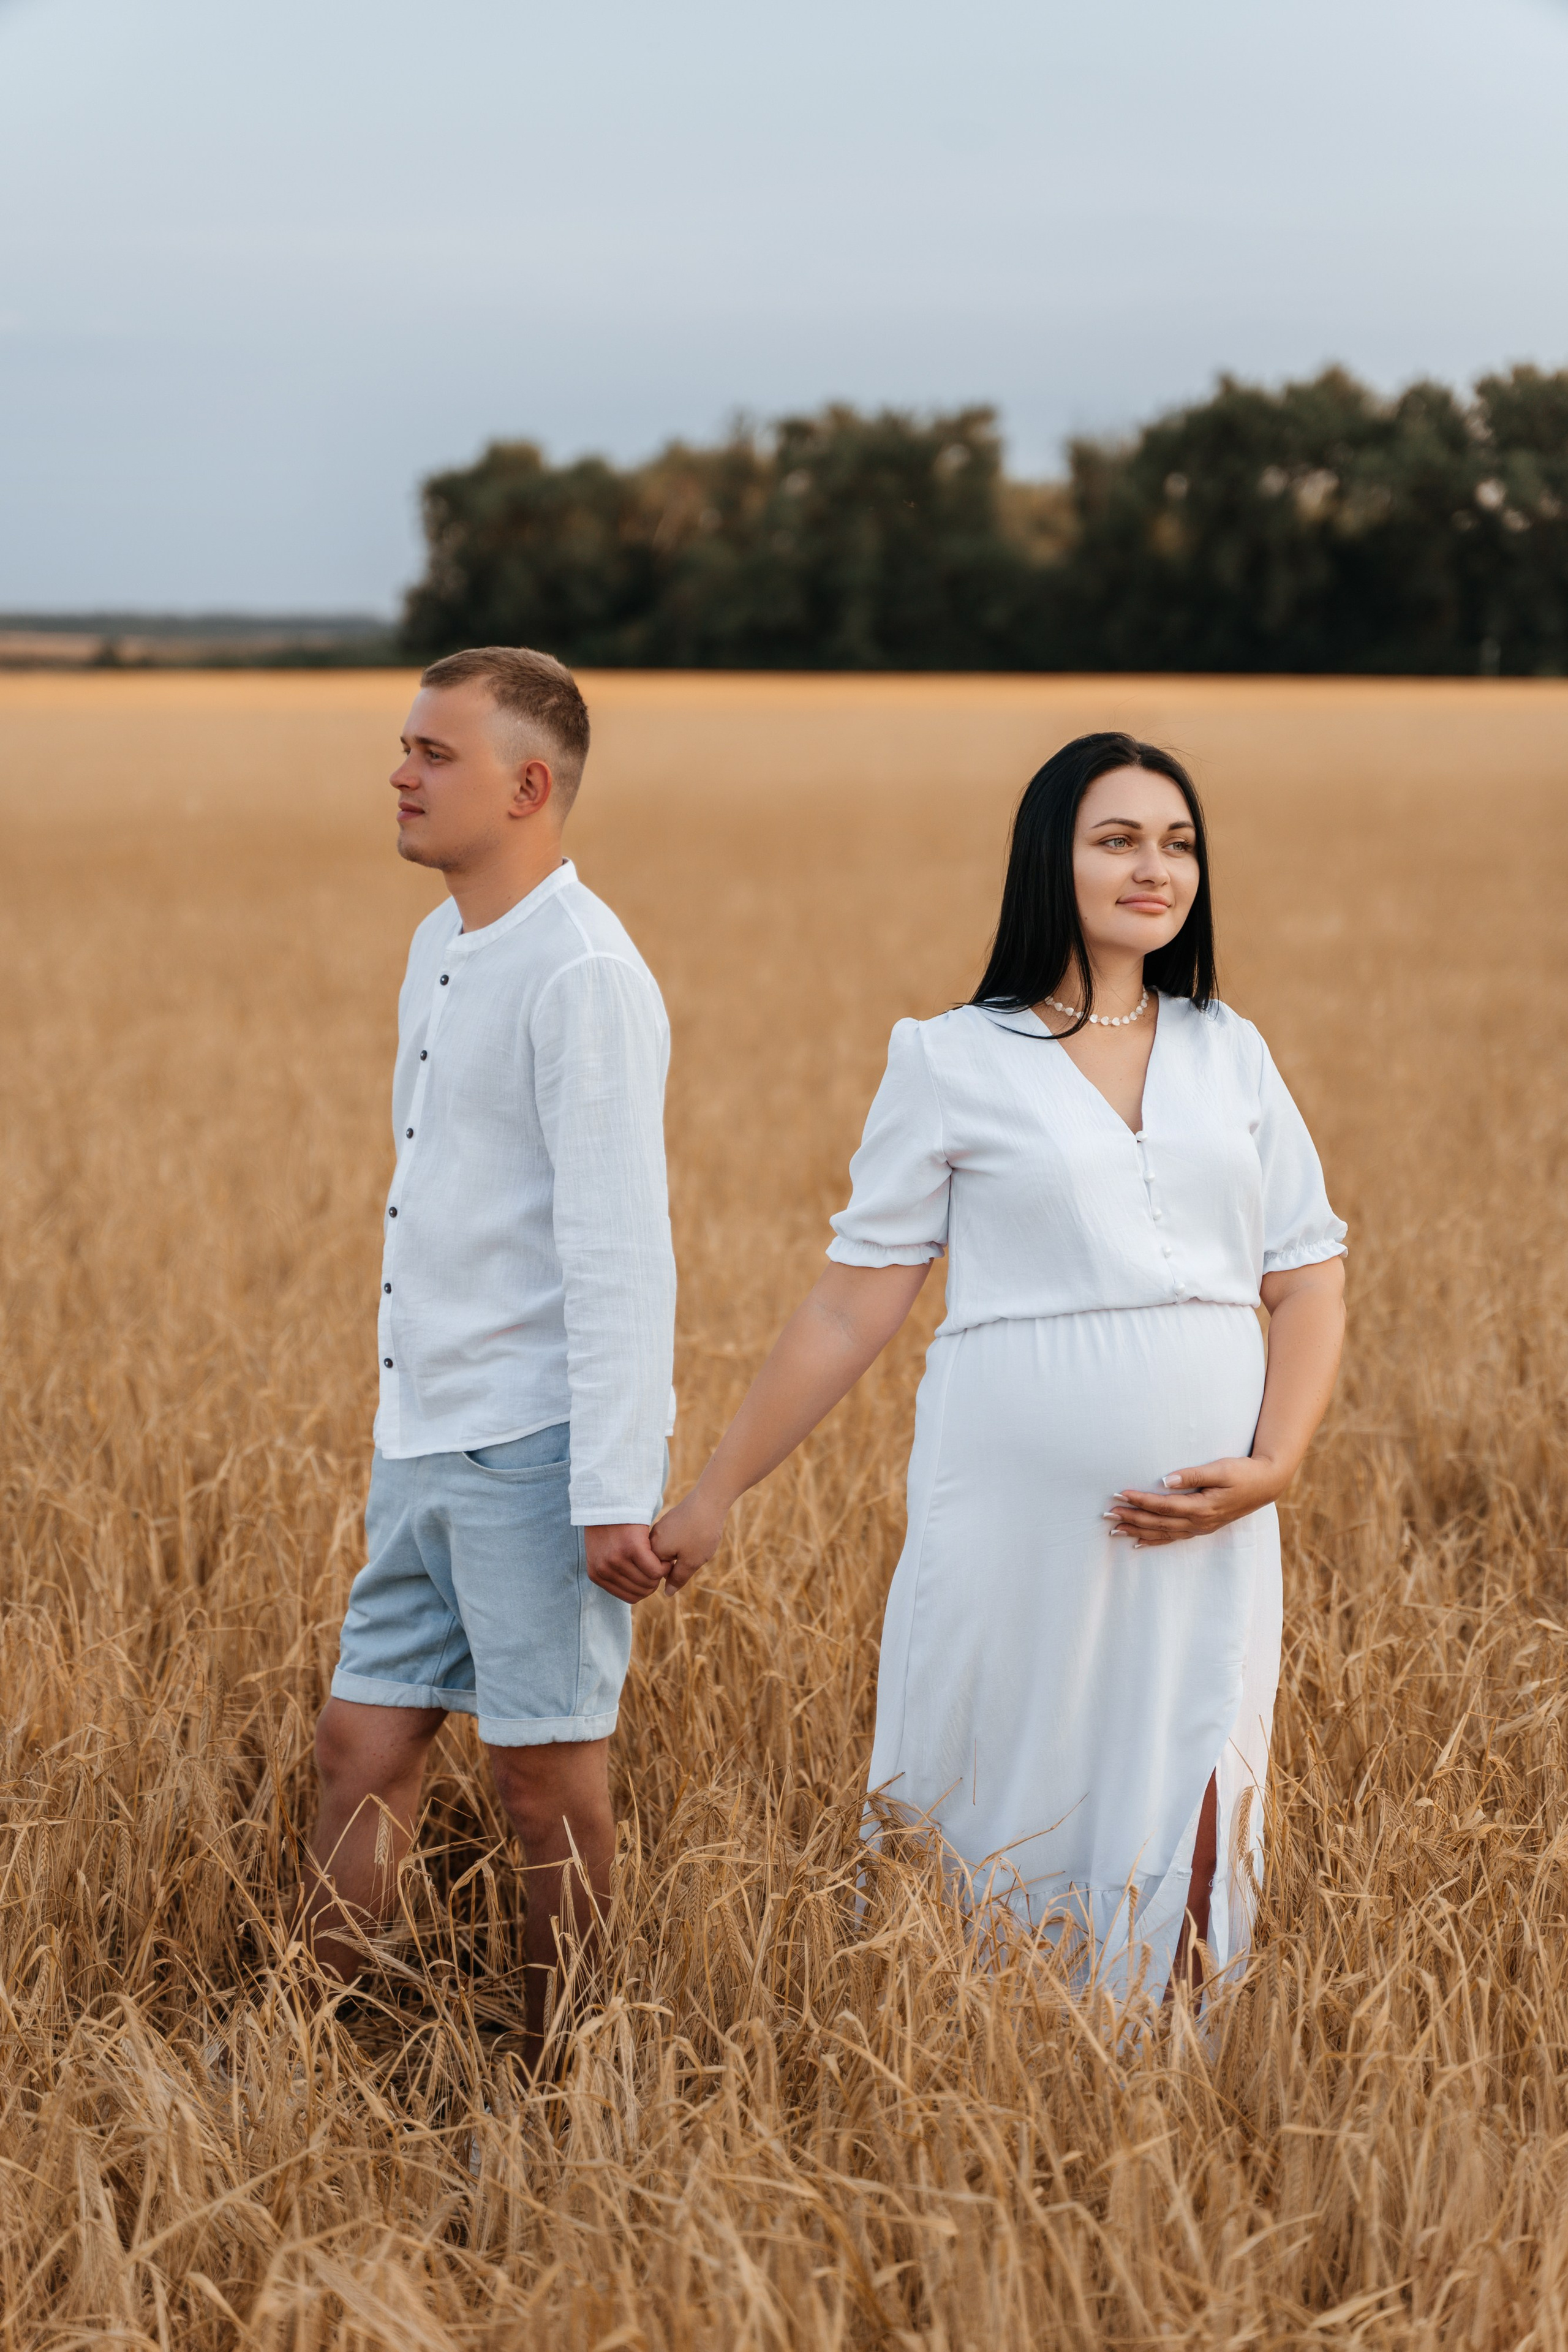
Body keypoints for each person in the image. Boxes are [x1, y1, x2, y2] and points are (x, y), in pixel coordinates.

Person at [651, 732, 1346, 1998]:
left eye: (1177, 843)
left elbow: (1302, 1277)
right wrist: (713, 1493)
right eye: (1117, 839)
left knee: (1200, 1772)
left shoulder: (1227, 1048)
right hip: (1012, 1505)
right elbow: (848, 1311)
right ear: (1050, 857)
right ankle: (971, 2059)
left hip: (1212, 1513)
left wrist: (1275, 1463)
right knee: (997, 1772)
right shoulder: (949, 1056)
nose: (1155, 868)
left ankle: (1168, 2074)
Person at [303, 646, 676, 2058]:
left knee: (544, 1782)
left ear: (528, 787)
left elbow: (620, 1248)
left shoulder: (582, 973)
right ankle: (314, 2038)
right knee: (361, 1743)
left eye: (431, 753)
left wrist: (611, 1489)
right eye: (402, 746)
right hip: (422, 1434)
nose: (400, 773)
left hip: (533, 1450)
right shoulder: (441, 946)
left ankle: (572, 2074)